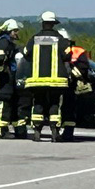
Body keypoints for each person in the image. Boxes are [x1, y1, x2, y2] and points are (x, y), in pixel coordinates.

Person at [25, 11, 70, 141]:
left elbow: (26, 53)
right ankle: (55, 132)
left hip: (37, 80)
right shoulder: (60, 39)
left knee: (38, 102)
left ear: (42, 24)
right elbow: (67, 55)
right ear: (53, 24)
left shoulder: (34, 39)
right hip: (56, 81)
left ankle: (37, 132)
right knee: (54, 103)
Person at [0, 19, 27, 139]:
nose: (17, 33)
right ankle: (2, 131)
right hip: (5, 80)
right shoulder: (3, 42)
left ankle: (19, 130)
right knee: (5, 104)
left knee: (13, 103)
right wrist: (4, 70)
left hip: (11, 79)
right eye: (15, 31)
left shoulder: (9, 44)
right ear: (9, 31)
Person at [59, 29, 92, 142]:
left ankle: (67, 133)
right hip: (59, 84)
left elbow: (84, 68)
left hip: (71, 86)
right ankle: (58, 132)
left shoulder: (77, 51)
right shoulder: (56, 51)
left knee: (69, 109)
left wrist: (72, 74)